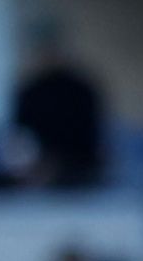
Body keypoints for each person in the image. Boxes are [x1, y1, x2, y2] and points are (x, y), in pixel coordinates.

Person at [11, 25, 109, 191]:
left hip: (80, 174)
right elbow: (20, 139)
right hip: (37, 174)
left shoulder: (81, 90)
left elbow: (92, 139)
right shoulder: (28, 93)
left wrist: (56, 166)